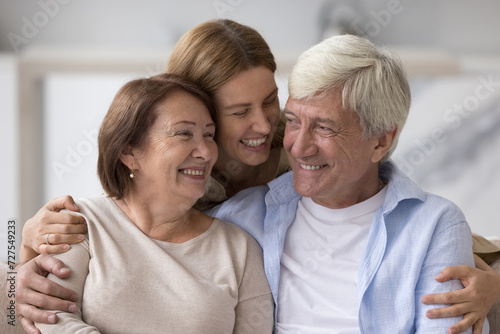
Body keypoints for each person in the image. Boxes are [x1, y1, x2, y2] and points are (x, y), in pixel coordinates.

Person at [16, 20, 500, 333]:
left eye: (271, 102)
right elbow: (109, 227)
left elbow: (413, 220)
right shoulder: (180, 192)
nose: (267, 127)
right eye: (239, 111)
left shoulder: (303, 161)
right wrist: (23, 247)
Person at [29, 73, 274, 333]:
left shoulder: (239, 249)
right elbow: (52, 317)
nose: (204, 152)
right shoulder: (82, 222)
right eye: (183, 133)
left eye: (209, 135)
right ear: (129, 152)